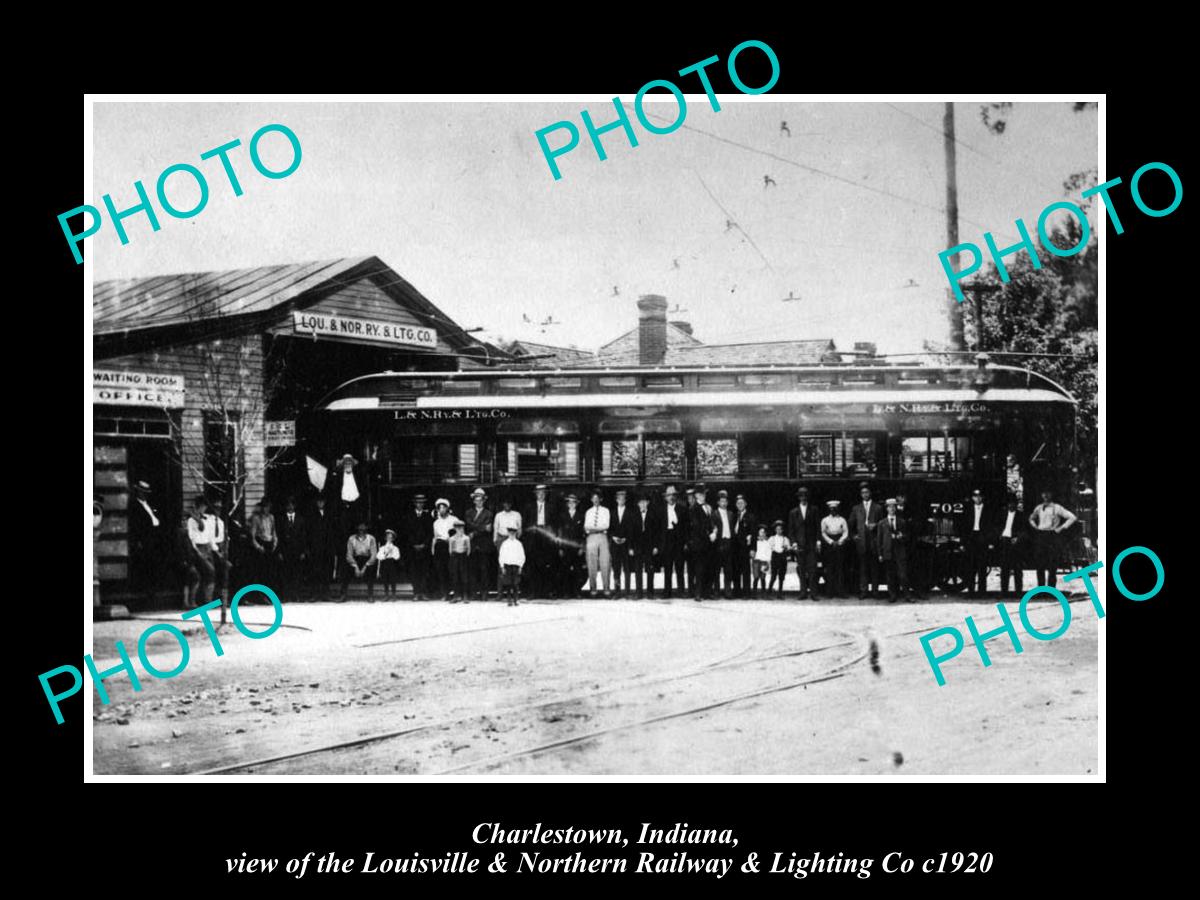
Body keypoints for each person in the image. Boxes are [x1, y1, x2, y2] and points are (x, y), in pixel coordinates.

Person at [1027, 490, 1078, 587]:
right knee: (1040, 564)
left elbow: (1072, 517)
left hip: (1052, 536)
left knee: (1052, 564)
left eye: (1048, 493)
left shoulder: (1057, 507)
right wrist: (1035, 526)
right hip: (1041, 535)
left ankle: (1051, 589)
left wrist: (1061, 528)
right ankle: (1041, 589)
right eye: (1044, 493)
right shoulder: (1039, 507)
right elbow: (1031, 518)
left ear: (1052, 494)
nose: (1045, 495)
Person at [522, 484, 558, 599]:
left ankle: (548, 592)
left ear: (546, 494)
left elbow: (555, 524)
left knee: (548, 564)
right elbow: (525, 524)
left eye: (543, 493)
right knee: (533, 565)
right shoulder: (529, 507)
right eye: (539, 493)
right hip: (534, 537)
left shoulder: (551, 507)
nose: (541, 495)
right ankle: (532, 592)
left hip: (546, 536)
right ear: (535, 494)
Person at [848, 483, 883, 599]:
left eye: (867, 492)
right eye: (863, 493)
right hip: (862, 543)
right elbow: (850, 524)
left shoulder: (877, 507)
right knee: (863, 568)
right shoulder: (856, 508)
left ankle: (875, 591)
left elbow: (883, 524)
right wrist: (854, 536)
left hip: (873, 542)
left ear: (870, 493)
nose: (865, 495)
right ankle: (863, 591)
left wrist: (876, 525)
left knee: (875, 568)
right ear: (860, 495)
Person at [787, 486, 820, 600]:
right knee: (801, 569)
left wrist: (818, 541)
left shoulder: (814, 510)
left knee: (812, 570)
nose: (803, 498)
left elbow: (817, 527)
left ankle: (813, 593)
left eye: (805, 495)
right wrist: (794, 543)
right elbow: (791, 530)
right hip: (800, 545)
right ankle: (803, 592)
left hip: (811, 544)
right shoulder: (793, 512)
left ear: (807, 497)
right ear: (798, 498)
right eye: (801, 496)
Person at [878, 498, 913, 603]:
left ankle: (907, 595)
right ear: (886, 509)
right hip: (888, 552)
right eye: (889, 507)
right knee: (890, 575)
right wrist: (880, 554)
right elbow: (879, 540)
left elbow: (907, 537)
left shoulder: (902, 522)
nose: (892, 509)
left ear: (896, 508)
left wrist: (901, 536)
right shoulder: (882, 523)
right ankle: (892, 595)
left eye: (893, 507)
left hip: (899, 551)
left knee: (903, 575)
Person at [961, 488, 995, 596]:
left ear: (982, 497)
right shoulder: (967, 509)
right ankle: (971, 591)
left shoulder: (989, 510)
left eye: (980, 496)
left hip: (983, 538)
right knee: (970, 565)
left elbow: (991, 527)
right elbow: (964, 527)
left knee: (982, 565)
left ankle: (982, 591)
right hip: (971, 538)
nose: (978, 498)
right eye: (975, 496)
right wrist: (963, 542)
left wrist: (990, 541)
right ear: (972, 498)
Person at [464, 488, 496, 602]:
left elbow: (489, 529)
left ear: (484, 500)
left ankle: (484, 593)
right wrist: (482, 527)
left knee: (484, 570)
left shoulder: (489, 513)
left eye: (481, 500)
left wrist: (474, 531)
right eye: (476, 500)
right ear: (473, 501)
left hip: (484, 545)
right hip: (472, 545)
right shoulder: (468, 512)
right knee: (472, 570)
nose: (479, 502)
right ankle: (473, 593)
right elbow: (468, 525)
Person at [402, 494, 434, 600]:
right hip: (413, 548)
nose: (420, 504)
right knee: (414, 571)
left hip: (424, 548)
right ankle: (416, 592)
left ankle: (423, 592)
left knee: (424, 571)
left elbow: (430, 532)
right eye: (418, 502)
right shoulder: (408, 516)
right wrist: (414, 544)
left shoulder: (428, 516)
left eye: (421, 503)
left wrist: (424, 544)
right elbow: (407, 532)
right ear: (414, 503)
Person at [186, 495, 216, 608]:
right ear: (197, 507)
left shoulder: (207, 519)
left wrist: (211, 548)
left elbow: (208, 534)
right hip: (198, 549)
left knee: (210, 574)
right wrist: (197, 551)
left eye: (205, 507)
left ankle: (208, 600)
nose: (204, 509)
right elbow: (192, 537)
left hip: (207, 547)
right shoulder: (191, 521)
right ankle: (199, 601)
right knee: (210, 571)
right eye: (202, 507)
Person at [308, 494, 339, 600]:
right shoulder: (311, 514)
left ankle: (326, 593)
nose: (320, 503)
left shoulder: (329, 514)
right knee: (316, 570)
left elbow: (333, 531)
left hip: (328, 547)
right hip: (316, 547)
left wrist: (332, 546)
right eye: (318, 502)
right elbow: (309, 532)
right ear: (316, 503)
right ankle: (315, 594)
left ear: (325, 502)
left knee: (327, 570)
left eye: (322, 501)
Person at [658, 485, 686, 598]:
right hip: (667, 539)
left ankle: (681, 591)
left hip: (678, 539)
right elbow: (658, 528)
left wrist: (684, 542)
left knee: (679, 566)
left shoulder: (682, 509)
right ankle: (667, 591)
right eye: (669, 495)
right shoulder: (661, 510)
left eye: (673, 495)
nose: (671, 497)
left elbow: (686, 528)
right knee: (668, 567)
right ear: (665, 497)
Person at [584, 488, 613, 597]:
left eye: (597, 498)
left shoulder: (606, 511)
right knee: (592, 563)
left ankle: (606, 588)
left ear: (601, 499)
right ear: (591, 500)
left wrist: (594, 528)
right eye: (593, 498)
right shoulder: (588, 512)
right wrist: (596, 529)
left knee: (605, 562)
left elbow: (606, 525)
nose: (595, 500)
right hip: (591, 538)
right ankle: (593, 588)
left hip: (603, 537)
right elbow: (586, 527)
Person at [628, 492, 657, 599]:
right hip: (637, 546)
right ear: (638, 504)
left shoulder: (653, 514)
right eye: (641, 503)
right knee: (638, 570)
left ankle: (650, 592)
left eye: (645, 502)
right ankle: (639, 592)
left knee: (650, 569)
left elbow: (656, 532)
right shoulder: (634, 515)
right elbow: (630, 533)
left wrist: (656, 546)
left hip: (649, 546)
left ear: (648, 503)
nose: (643, 504)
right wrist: (630, 547)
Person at [997, 494, 1027, 596]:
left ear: (1016, 504)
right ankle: (1004, 591)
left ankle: (1018, 591)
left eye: (1013, 503)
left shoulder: (1021, 515)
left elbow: (1024, 530)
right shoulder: (1002, 514)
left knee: (1017, 568)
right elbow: (997, 527)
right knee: (1004, 568)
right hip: (1004, 541)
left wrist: (1018, 538)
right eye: (1009, 503)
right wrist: (1000, 535)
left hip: (1015, 543)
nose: (1011, 505)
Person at [276, 497, 308, 597]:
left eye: (292, 504)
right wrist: (279, 551)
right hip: (285, 551)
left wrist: (303, 551)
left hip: (297, 551)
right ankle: (286, 595)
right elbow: (278, 536)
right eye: (288, 504)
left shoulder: (300, 519)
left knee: (297, 573)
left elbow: (304, 536)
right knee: (285, 573)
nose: (290, 507)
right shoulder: (281, 519)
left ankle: (296, 595)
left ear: (295, 506)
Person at [430, 498, 461, 601]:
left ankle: (456, 593)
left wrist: (452, 541)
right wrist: (433, 550)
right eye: (439, 508)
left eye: (443, 507)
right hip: (440, 546)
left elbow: (458, 533)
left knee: (452, 570)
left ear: (447, 508)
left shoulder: (454, 519)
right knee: (441, 570)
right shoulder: (436, 522)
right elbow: (435, 537)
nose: (441, 510)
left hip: (451, 546)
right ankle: (445, 593)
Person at [557, 493, 586, 598]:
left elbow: (583, 533)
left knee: (577, 570)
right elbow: (560, 533)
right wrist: (560, 547)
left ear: (576, 504)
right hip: (566, 547)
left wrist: (582, 547)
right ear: (567, 504)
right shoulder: (562, 515)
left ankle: (577, 591)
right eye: (569, 502)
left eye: (573, 502)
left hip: (576, 547)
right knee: (565, 570)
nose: (571, 504)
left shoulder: (581, 516)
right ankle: (566, 592)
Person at [341, 521, 378, 601]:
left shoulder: (371, 538)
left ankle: (370, 595)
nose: (361, 530)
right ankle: (343, 594)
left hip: (366, 559)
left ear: (366, 529)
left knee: (371, 569)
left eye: (363, 528)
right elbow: (349, 554)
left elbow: (373, 554)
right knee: (346, 569)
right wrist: (355, 567)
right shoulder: (351, 538)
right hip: (355, 559)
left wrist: (365, 566)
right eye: (359, 528)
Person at [689, 485, 714, 600]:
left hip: (707, 544)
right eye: (701, 494)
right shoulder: (693, 508)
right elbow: (697, 526)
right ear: (696, 495)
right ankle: (697, 593)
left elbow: (710, 523)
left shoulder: (708, 507)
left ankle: (706, 592)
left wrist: (714, 530)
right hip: (699, 543)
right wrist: (709, 535)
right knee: (699, 569)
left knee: (708, 567)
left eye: (704, 494)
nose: (703, 496)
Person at [708, 490, 735, 599]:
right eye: (721, 501)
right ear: (718, 502)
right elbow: (712, 526)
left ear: (727, 503)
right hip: (719, 543)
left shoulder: (731, 514)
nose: (723, 503)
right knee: (716, 569)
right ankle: (717, 591)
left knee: (728, 569)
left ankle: (728, 591)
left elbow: (733, 529)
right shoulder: (714, 514)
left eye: (725, 501)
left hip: (728, 542)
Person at [493, 496, 522, 593]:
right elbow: (495, 528)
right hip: (501, 539)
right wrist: (496, 540)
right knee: (501, 565)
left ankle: (514, 592)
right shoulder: (499, 515)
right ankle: (500, 592)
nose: (507, 505)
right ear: (503, 504)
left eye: (509, 503)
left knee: (514, 565)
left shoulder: (516, 514)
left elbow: (520, 529)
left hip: (513, 539)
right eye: (505, 503)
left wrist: (516, 541)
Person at [205, 497, 232, 605]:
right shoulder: (207, 520)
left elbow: (222, 538)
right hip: (210, 550)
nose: (218, 511)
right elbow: (209, 538)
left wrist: (223, 549)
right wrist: (217, 552)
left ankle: (222, 599)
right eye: (216, 508)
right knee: (212, 572)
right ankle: (209, 600)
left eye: (220, 509)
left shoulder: (221, 522)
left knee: (225, 570)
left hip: (219, 550)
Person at [820, 500, 849, 597]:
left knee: (840, 568)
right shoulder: (825, 520)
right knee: (829, 568)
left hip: (840, 543)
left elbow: (845, 532)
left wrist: (840, 541)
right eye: (831, 509)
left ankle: (841, 591)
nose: (833, 511)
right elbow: (823, 532)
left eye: (835, 509)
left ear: (837, 509)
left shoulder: (842, 520)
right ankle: (830, 592)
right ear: (829, 510)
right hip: (829, 544)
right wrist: (831, 542)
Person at [248, 499, 278, 587]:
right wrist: (258, 547)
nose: (266, 509)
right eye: (264, 507)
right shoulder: (256, 518)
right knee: (261, 570)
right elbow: (252, 536)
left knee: (271, 570)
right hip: (261, 544)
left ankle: (270, 592)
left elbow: (274, 531)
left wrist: (275, 542)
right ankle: (261, 593)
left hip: (270, 544)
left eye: (268, 507)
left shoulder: (271, 517)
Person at [731, 494, 756, 598]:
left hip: (745, 548)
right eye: (738, 503)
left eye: (741, 503)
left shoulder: (750, 517)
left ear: (745, 504)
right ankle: (736, 592)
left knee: (745, 571)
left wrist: (753, 549)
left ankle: (746, 593)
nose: (740, 505)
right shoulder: (734, 516)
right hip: (735, 548)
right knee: (735, 570)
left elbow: (753, 533)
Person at [608, 488, 631, 597]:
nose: (621, 500)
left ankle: (627, 591)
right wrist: (613, 537)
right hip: (615, 544)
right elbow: (609, 528)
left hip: (626, 544)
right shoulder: (612, 512)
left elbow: (632, 528)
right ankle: (617, 591)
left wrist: (626, 538)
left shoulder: (630, 512)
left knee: (627, 568)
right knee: (616, 569)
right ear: (616, 500)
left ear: (625, 500)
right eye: (619, 499)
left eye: (623, 499)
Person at [175, 514, 200, 609]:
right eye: (182, 520)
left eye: (186, 520)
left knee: (188, 581)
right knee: (194, 578)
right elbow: (180, 548)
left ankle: (187, 602)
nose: (184, 522)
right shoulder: (181, 533)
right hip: (185, 561)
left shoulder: (187, 532)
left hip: (189, 560)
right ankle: (189, 601)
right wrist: (183, 560)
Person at [498, 526, 526, 606]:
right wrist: (502, 566)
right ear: (508, 534)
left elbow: (522, 555)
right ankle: (509, 600)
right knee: (508, 583)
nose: (512, 535)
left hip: (516, 565)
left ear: (515, 534)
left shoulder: (518, 544)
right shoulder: (505, 543)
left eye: (513, 533)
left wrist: (521, 566)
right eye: (510, 533)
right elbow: (501, 555)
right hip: (508, 565)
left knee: (516, 584)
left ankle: (516, 599)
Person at [448, 524, 472, 602]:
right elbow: (450, 550)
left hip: (463, 557)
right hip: (455, 556)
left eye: (461, 528)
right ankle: (456, 595)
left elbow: (469, 549)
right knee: (455, 575)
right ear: (455, 529)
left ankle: (465, 595)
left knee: (464, 576)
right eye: (458, 528)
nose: (460, 530)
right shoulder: (452, 538)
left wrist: (465, 555)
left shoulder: (466, 538)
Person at [767, 520, 789, 598]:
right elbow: (768, 547)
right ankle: (769, 591)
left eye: (780, 529)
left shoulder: (785, 539)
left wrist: (786, 548)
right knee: (773, 575)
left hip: (782, 557)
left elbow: (788, 548)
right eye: (777, 529)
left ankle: (780, 593)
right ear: (775, 530)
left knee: (781, 576)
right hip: (775, 556)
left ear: (783, 530)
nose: (779, 531)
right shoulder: (772, 538)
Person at [377, 528, 401, 597]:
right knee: (385, 579)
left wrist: (392, 551)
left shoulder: (395, 548)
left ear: (393, 539)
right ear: (385, 538)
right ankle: (386, 594)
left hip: (392, 564)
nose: (389, 539)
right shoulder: (382, 548)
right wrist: (385, 554)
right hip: (385, 563)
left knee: (393, 579)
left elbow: (397, 557)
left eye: (391, 538)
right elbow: (379, 556)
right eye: (388, 537)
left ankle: (393, 594)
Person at [752, 524, 772, 596]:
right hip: (756, 561)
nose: (762, 534)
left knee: (763, 577)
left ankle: (764, 593)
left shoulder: (767, 543)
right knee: (756, 577)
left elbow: (769, 553)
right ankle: (754, 593)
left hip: (764, 561)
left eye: (763, 532)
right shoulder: (755, 542)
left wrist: (767, 561)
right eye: (761, 532)